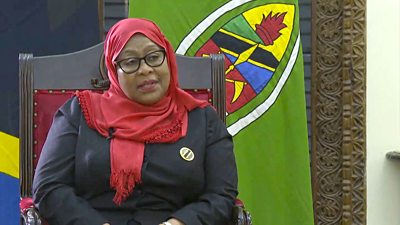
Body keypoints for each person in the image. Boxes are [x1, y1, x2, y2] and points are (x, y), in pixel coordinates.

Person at [32, 18, 238, 225]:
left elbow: (220, 195)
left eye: (154, 57)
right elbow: (48, 187)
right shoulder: (79, 113)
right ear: (113, 71)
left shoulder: (202, 119)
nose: (145, 69)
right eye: (130, 62)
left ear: (168, 58)